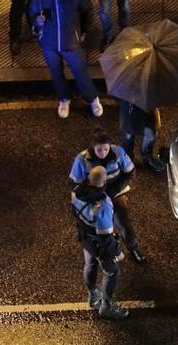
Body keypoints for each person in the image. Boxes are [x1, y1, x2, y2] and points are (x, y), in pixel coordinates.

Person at [69, 130, 146, 262]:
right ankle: (100, 252)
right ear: (93, 147)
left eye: (106, 148)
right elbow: (73, 184)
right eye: (99, 150)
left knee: (123, 221)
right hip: (93, 199)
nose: (103, 153)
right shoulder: (81, 160)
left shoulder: (118, 153)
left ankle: (133, 247)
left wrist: (112, 192)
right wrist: (93, 195)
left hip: (114, 195)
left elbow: (130, 173)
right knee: (96, 226)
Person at [72, 166, 129, 320]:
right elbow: (105, 236)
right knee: (112, 272)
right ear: (104, 181)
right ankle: (107, 306)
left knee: (90, 265)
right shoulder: (102, 205)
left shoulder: (76, 192)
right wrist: (117, 252)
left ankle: (93, 296)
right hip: (99, 244)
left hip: (85, 237)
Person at [30, 0, 103, 119]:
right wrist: (37, 25)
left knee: (80, 72)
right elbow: (32, 14)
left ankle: (92, 98)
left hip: (71, 42)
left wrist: (84, 31)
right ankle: (64, 99)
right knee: (56, 73)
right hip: (49, 43)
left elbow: (88, 9)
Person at [118, 99, 165, 173]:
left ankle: (147, 157)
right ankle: (127, 159)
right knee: (127, 139)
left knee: (149, 136)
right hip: (128, 113)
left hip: (148, 115)